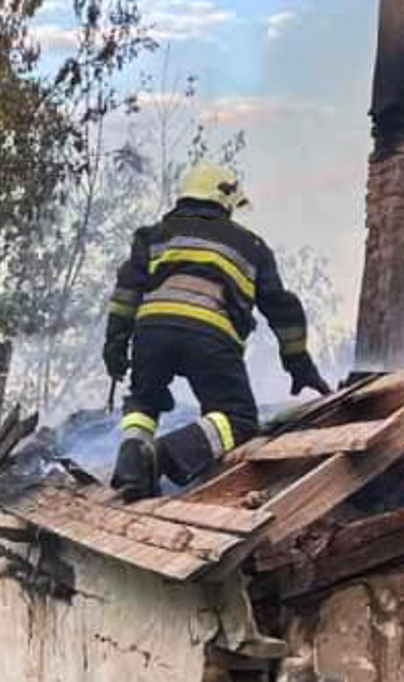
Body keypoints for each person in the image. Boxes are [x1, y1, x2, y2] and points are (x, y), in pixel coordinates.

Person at [104, 162, 330, 500]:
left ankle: (131, 468)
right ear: (225, 200)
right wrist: (299, 365)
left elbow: (125, 295)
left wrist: (115, 346)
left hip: (152, 334)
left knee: (143, 402)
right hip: (210, 338)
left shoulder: (153, 235)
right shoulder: (251, 246)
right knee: (238, 418)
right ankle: (164, 455)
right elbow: (282, 309)